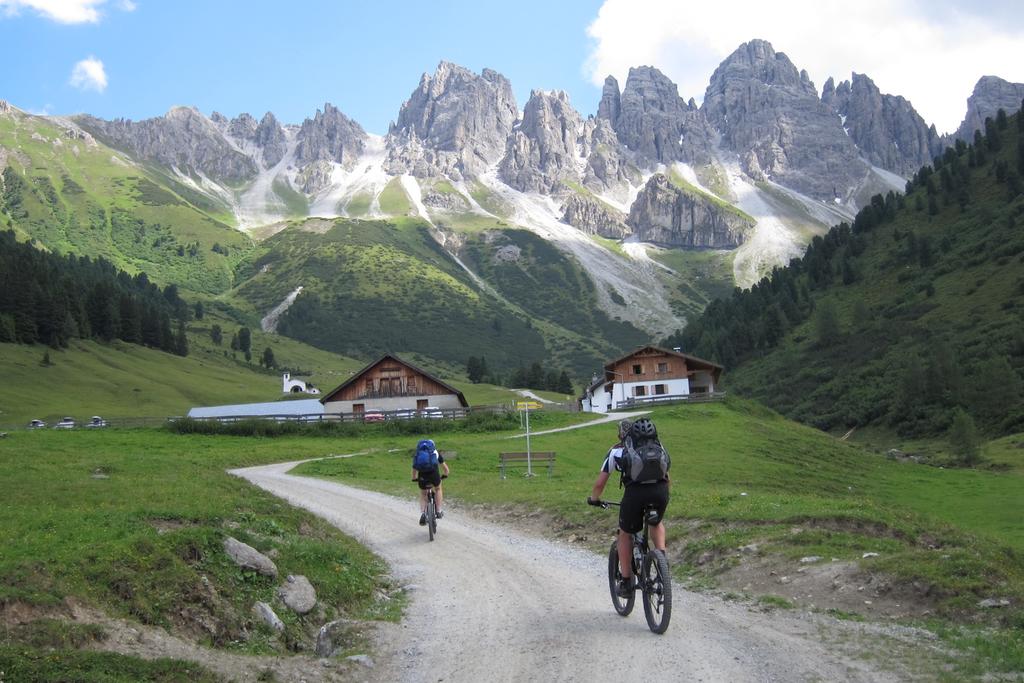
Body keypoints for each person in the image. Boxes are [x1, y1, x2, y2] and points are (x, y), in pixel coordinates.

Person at [587, 417, 670, 597]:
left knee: (625, 534)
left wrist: (594, 499)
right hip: (660, 492)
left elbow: (600, 484)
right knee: (656, 523)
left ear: (620, 434)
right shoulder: (659, 447)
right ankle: (663, 563)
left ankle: (625, 583)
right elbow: (667, 477)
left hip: (635, 495)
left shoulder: (616, 451)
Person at [412, 438, 450, 525]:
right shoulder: (435, 453)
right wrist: (445, 474)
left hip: (422, 476)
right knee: (438, 489)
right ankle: (439, 510)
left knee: (423, 493)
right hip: (434, 475)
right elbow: (446, 469)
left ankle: (423, 513)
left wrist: (414, 478)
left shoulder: (418, 454)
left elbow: (414, 469)